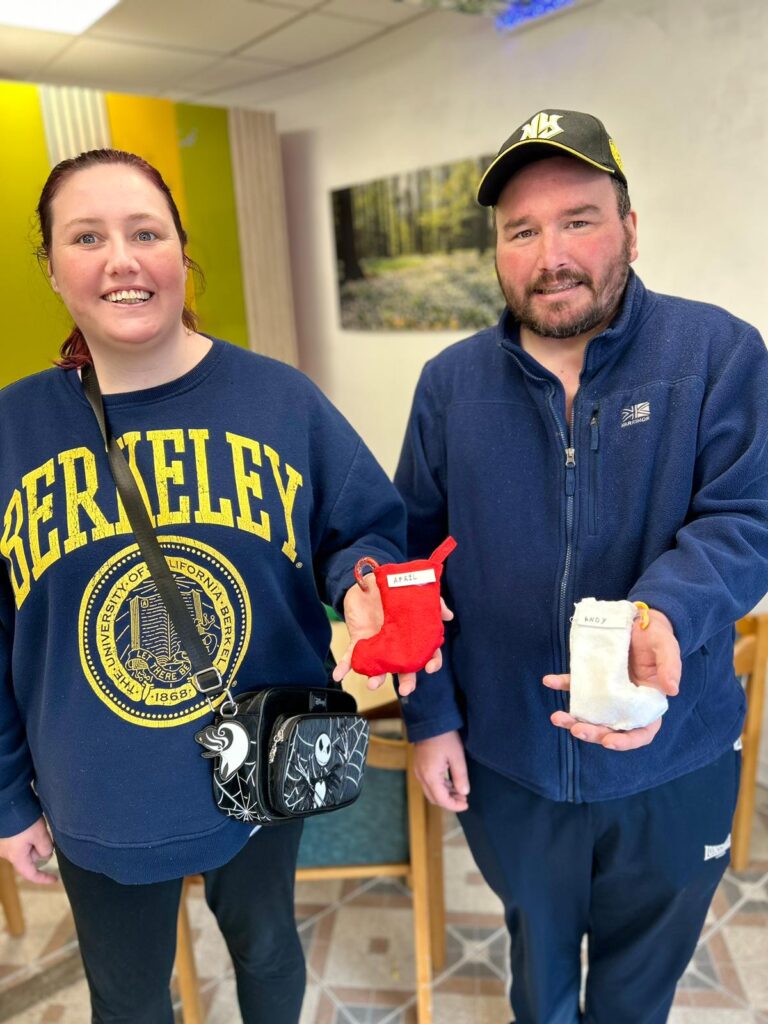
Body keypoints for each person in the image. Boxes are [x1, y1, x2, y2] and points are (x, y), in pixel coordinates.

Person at [0, 148, 435, 1024]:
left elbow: (367, 532)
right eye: (87, 236)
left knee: (269, 950)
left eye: (144, 231)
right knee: (126, 997)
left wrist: (363, 584)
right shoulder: (13, 427)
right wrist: (8, 797)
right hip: (98, 788)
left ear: (179, 253)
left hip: (264, 759)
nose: (121, 258)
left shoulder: (281, 401)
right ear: (52, 267)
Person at [395, 109, 768, 1024]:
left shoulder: (717, 355)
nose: (549, 252)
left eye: (579, 220)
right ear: (498, 249)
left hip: (673, 760)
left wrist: (663, 615)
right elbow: (412, 562)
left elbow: (748, 518)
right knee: (540, 972)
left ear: (630, 230)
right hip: (511, 764)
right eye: (522, 230)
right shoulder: (452, 386)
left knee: (639, 987)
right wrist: (432, 719)